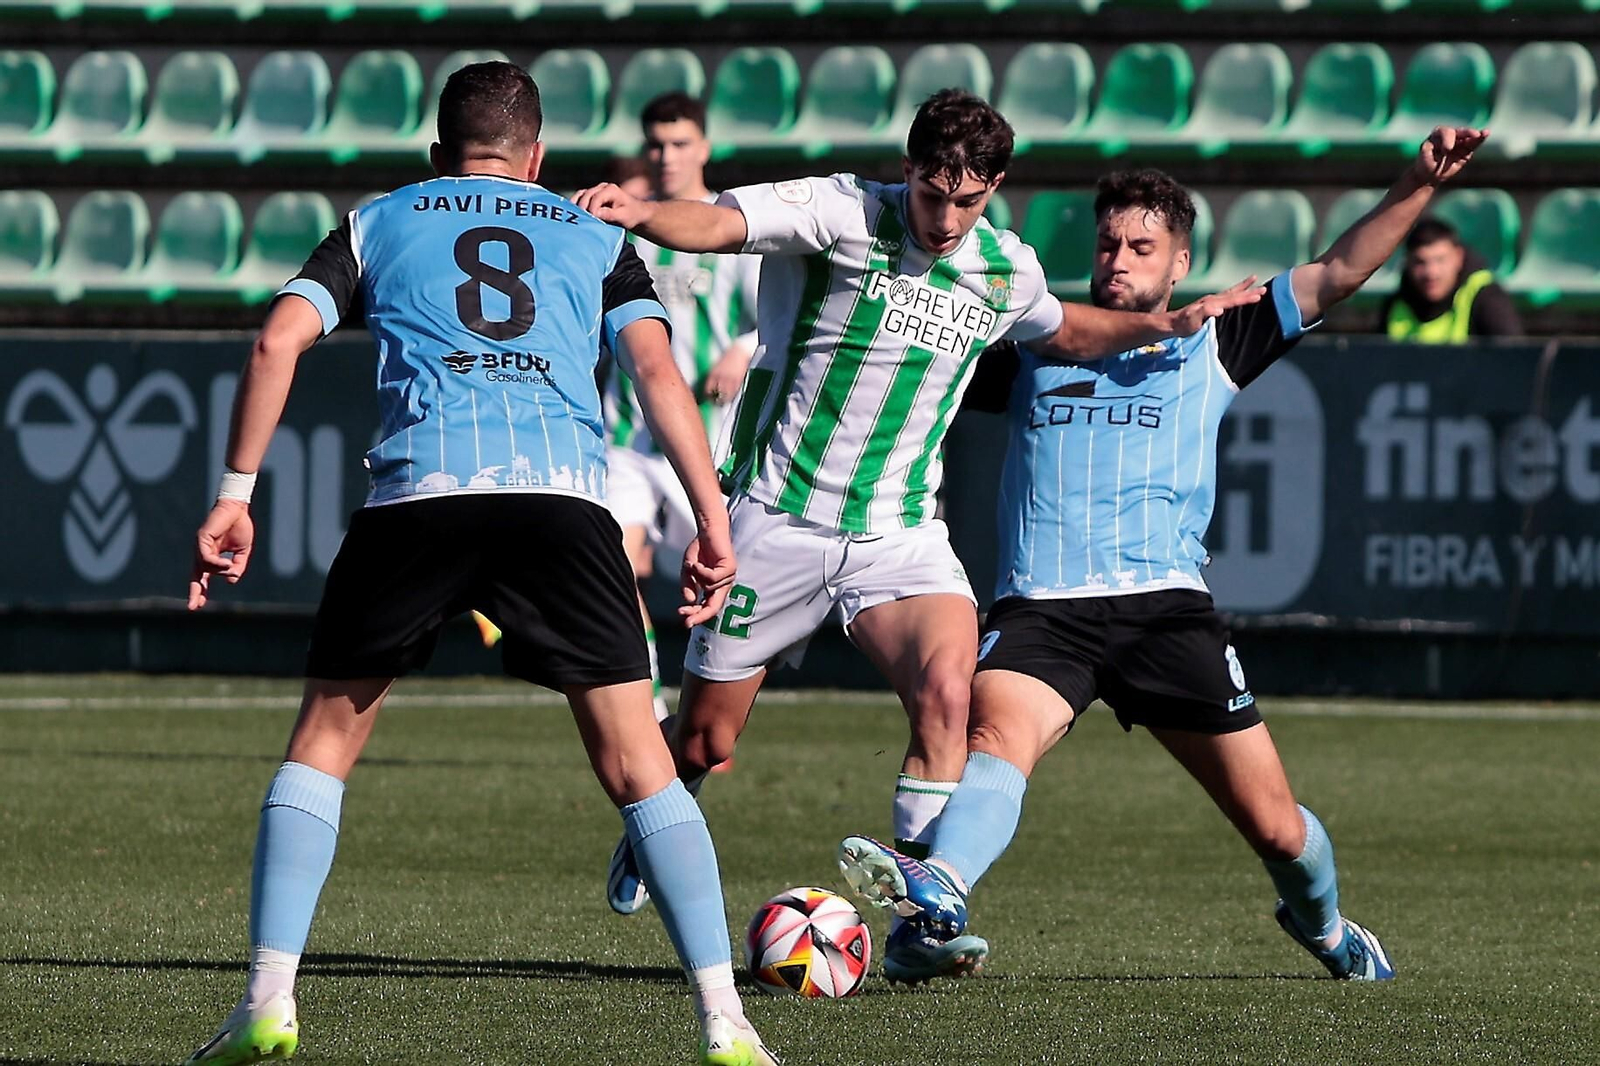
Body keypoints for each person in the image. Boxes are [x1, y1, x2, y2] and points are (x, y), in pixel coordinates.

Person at [183, 62, 776, 1066]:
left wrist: (235, 494)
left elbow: (276, 343)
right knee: (639, 763)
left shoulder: (378, 220)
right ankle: (725, 1018)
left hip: (418, 498)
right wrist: (713, 515)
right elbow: (655, 371)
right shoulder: (594, 233)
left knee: (323, 741)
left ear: (436, 152)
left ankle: (269, 1001)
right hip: (561, 502)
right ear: (536, 157)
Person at [573, 89, 1263, 948]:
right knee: (707, 742)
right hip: (776, 518)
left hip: (899, 533)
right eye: (932, 195)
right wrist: (638, 212)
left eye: (967, 201)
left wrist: (1166, 324)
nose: (944, 218)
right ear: (907, 173)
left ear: (995, 188)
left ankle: (917, 923)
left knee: (949, 693)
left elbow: (1066, 331)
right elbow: (716, 224)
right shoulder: (838, 210)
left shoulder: (1007, 271)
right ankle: (655, 818)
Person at [836, 127, 1488, 984]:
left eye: (1142, 246)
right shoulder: (1038, 339)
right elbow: (918, 362)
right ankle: (940, 894)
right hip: (1043, 611)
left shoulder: (1214, 336)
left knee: (1277, 829)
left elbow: (1337, 273)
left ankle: (1325, 927)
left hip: (1165, 611)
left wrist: (1415, 181)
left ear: (1179, 263)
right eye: (1108, 243)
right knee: (994, 736)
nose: (1119, 259)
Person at [604, 92, 761, 723]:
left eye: (679, 143)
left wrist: (740, 351)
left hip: (706, 441)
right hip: (626, 435)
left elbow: (775, 322)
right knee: (616, 567)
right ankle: (648, 710)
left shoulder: (729, 224)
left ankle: (705, 716)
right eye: (657, 144)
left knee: (718, 585)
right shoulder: (621, 228)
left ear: (704, 147)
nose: (666, 156)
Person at [1383, 216, 1522, 341]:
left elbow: (1511, 359)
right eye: (1420, 262)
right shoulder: (1396, 303)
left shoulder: (1486, 297)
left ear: (1458, 257)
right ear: (1407, 262)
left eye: (1440, 260)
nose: (1431, 273)